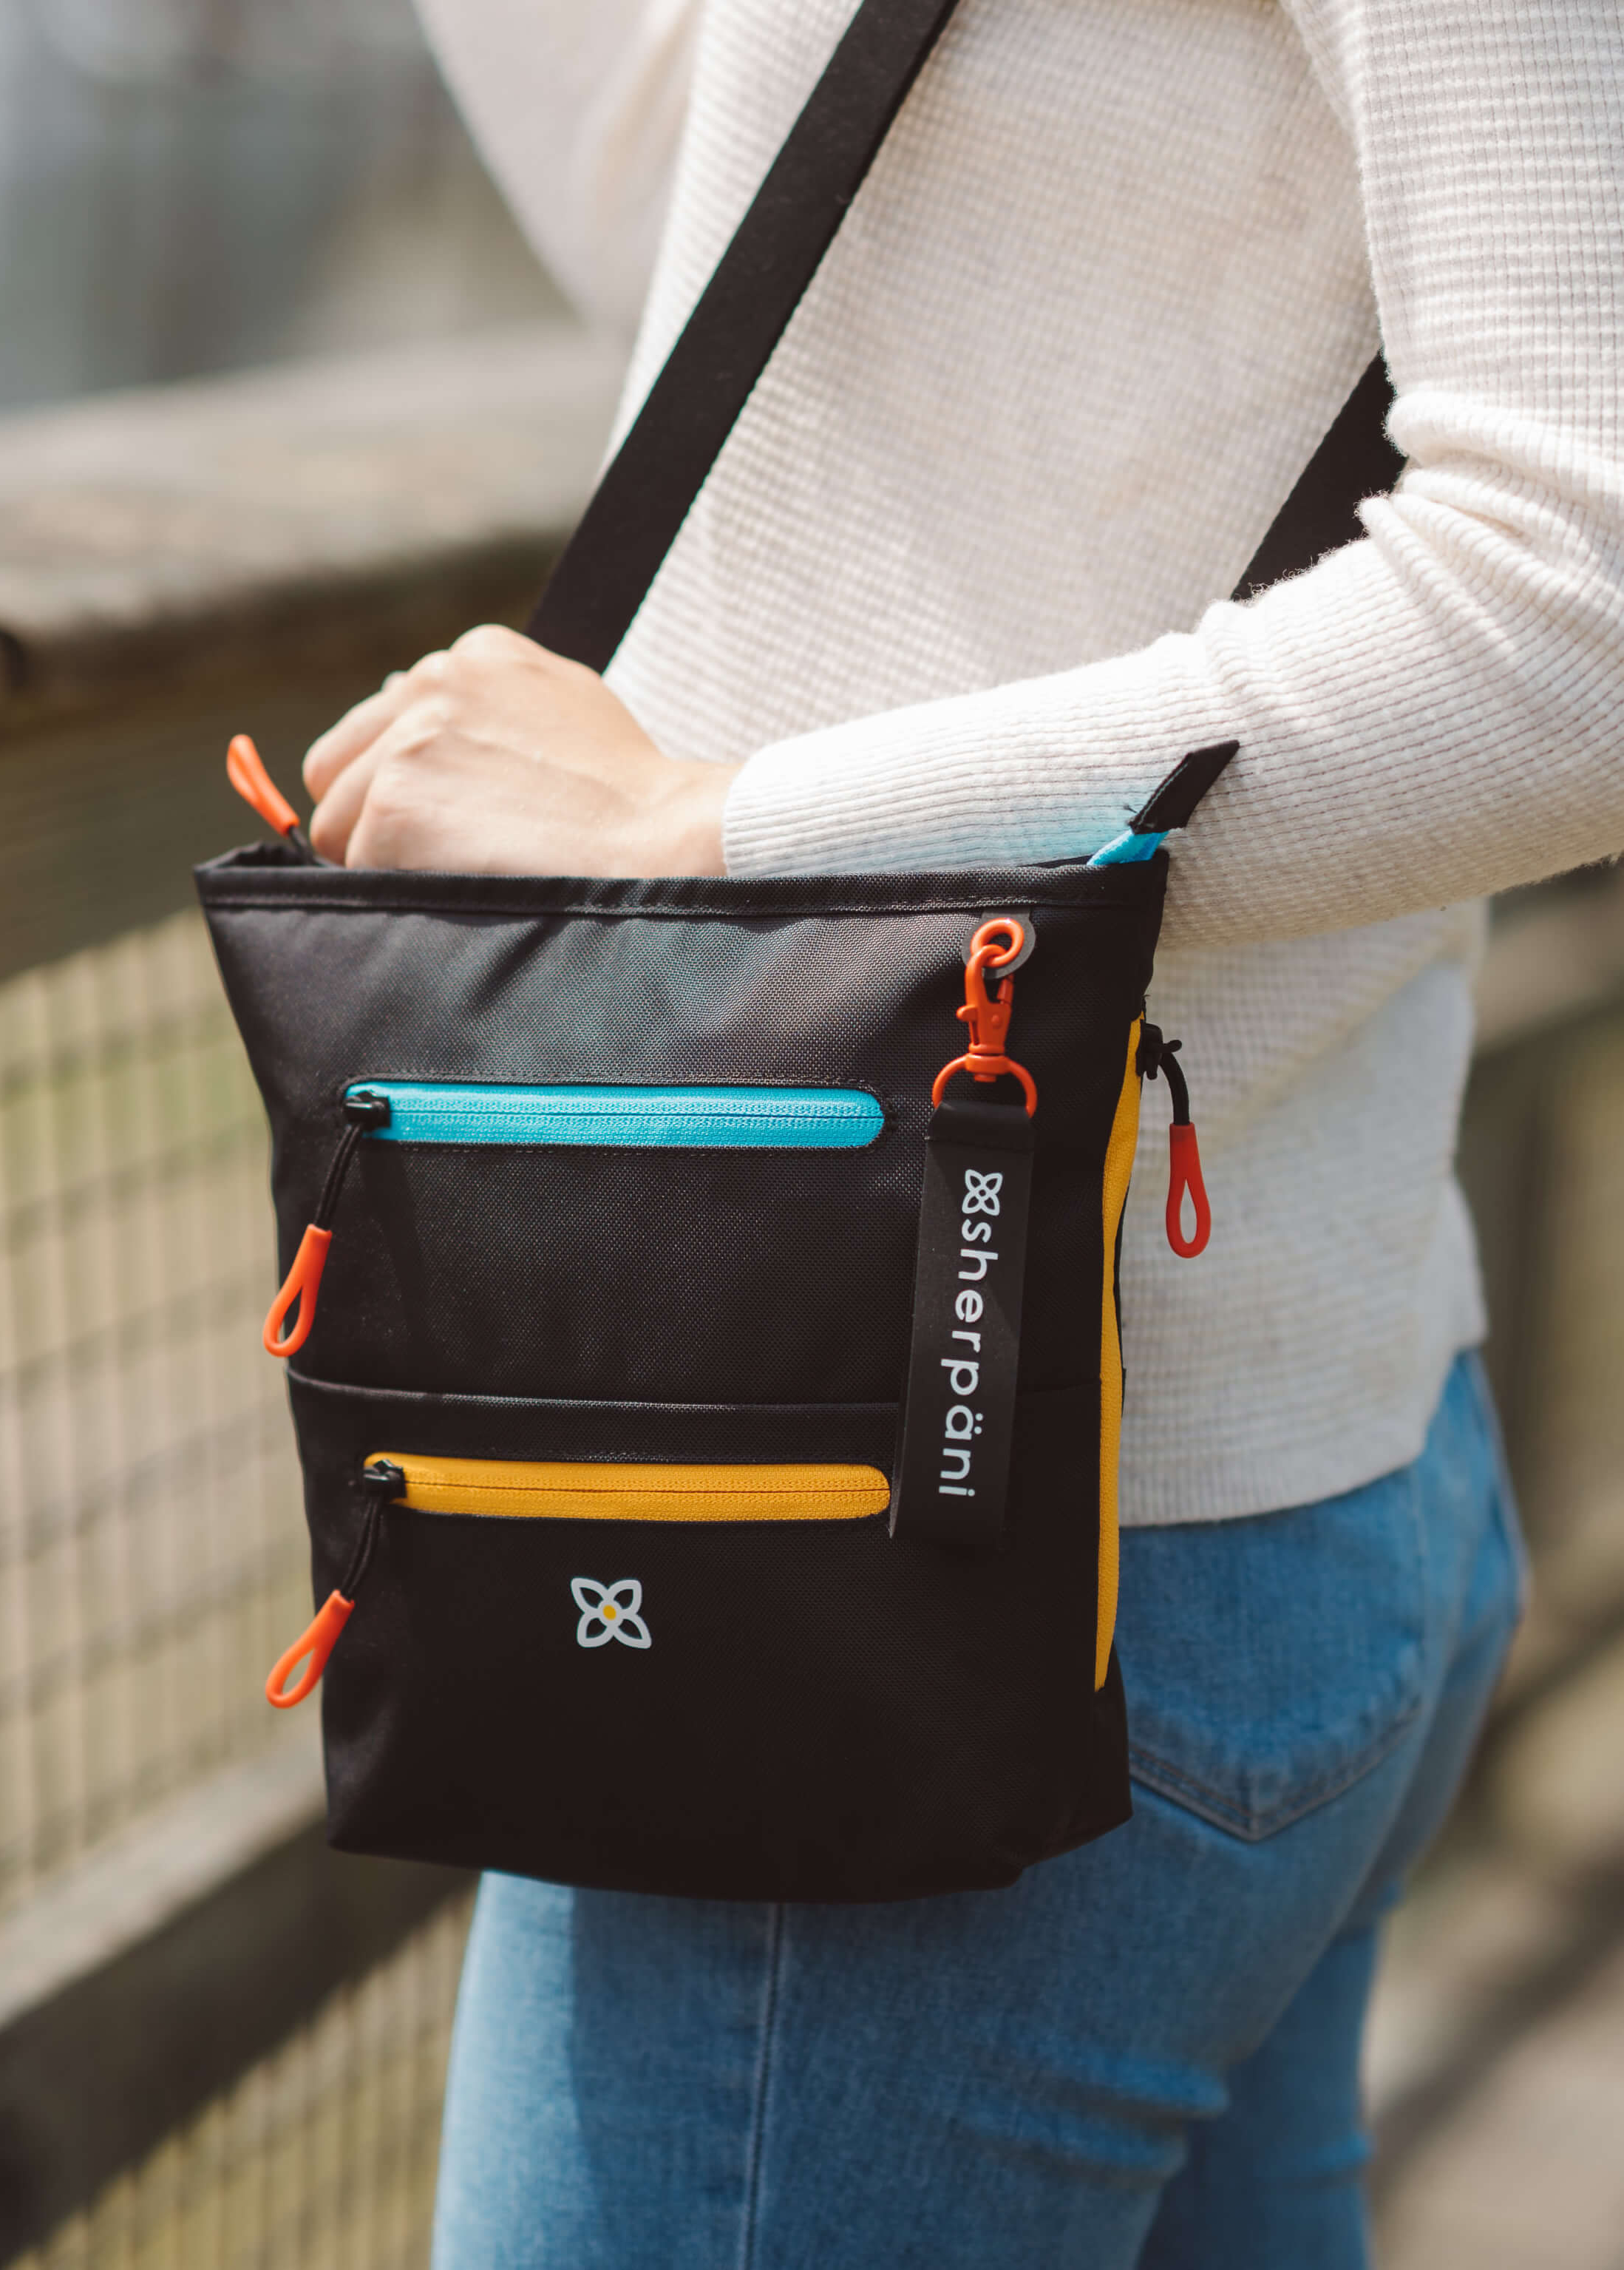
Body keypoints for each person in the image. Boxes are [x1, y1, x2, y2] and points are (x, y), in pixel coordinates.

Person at [296, 2, 1622, 2263]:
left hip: (933, 1565)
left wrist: (715, 828)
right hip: (1228, 1476)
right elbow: (785, 238)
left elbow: (1584, 619)